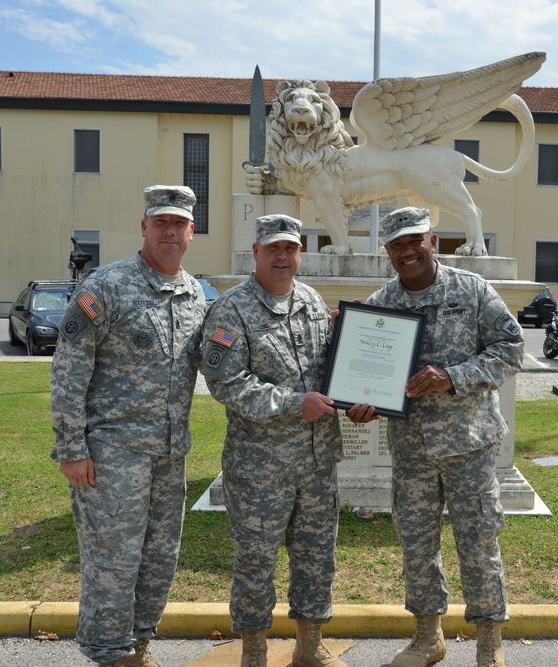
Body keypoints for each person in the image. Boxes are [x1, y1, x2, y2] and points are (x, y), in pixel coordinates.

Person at [349, 206, 524, 667]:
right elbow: (361, 369)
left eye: (414, 241)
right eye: (396, 245)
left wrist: (454, 376)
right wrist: (360, 403)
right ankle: (429, 638)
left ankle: (490, 644)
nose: (407, 252)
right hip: (413, 449)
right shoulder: (380, 303)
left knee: (479, 541)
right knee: (416, 544)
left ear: (433, 240)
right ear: (387, 251)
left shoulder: (471, 290)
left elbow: (511, 348)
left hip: (469, 445)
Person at [50, 185, 206, 667]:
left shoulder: (194, 293)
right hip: (113, 456)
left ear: (191, 232)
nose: (169, 232)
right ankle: (109, 653)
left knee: (159, 560)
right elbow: (69, 369)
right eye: (160, 222)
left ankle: (137, 645)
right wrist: (71, 447)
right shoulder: (106, 286)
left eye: (178, 224)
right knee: (113, 562)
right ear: (144, 227)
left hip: (169, 454)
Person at [200, 214, 351, 667]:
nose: (283, 257)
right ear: (257, 253)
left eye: (291, 248)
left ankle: (309, 645)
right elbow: (225, 381)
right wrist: (291, 402)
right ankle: (253, 650)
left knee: (317, 556)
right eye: (274, 249)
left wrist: (354, 345)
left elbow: (331, 370)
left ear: (300, 253)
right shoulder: (231, 309)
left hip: (318, 460)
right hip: (259, 466)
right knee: (255, 561)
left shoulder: (310, 300)